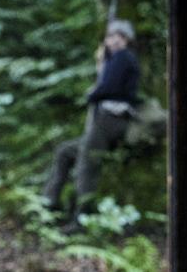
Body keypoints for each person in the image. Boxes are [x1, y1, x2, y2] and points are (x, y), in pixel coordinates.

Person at [44, 19, 142, 215]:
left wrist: (92, 95)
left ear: (126, 39)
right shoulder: (114, 59)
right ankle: (49, 203)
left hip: (113, 119)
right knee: (65, 151)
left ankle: (82, 217)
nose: (113, 40)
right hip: (106, 119)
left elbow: (109, 88)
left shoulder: (123, 57)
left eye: (118, 36)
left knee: (87, 163)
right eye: (110, 36)